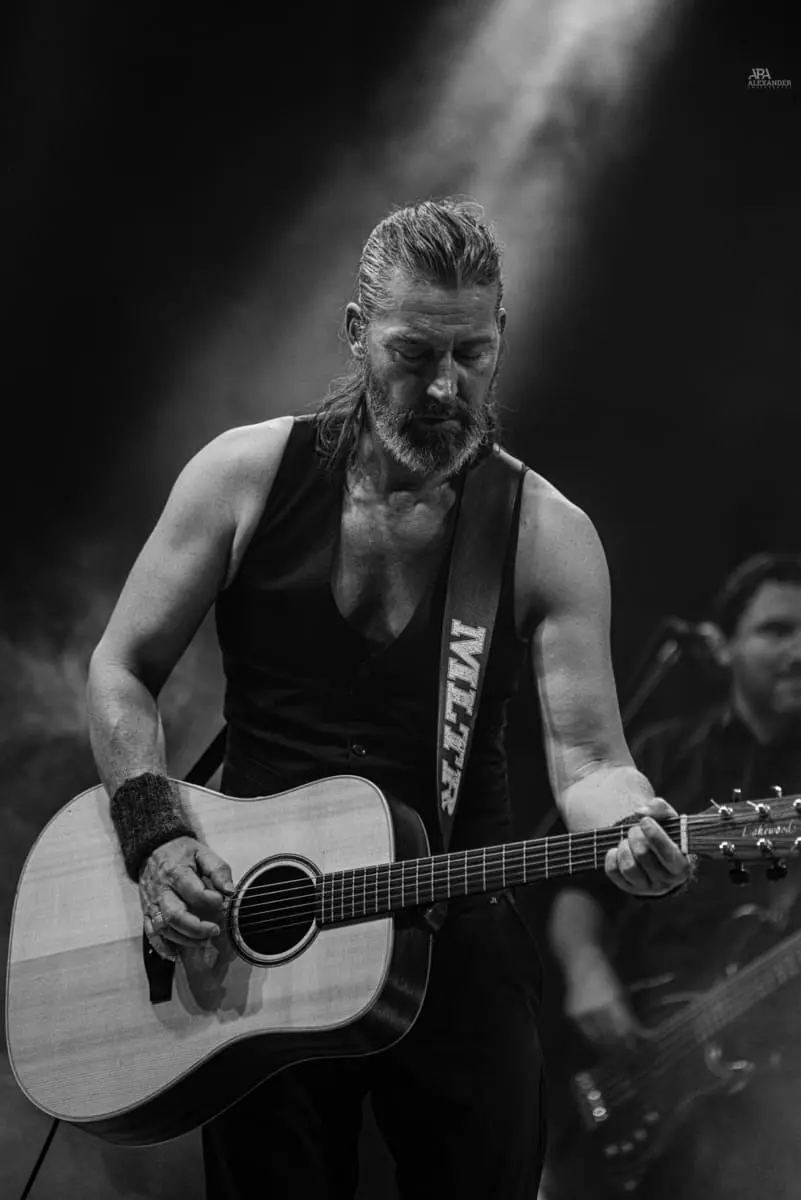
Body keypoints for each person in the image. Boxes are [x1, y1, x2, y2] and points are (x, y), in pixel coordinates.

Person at [86, 197, 691, 1200]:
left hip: (455, 935)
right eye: (414, 354)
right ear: (357, 331)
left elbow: (592, 762)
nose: (446, 387)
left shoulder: (545, 533)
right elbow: (120, 669)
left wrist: (633, 825)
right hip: (260, 931)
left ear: (501, 338)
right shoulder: (242, 476)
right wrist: (155, 839)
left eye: (472, 354)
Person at [540, 552, 801, 1200]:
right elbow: (578, 889)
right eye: (776, 630)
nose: (799, 651)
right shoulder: (662, 753)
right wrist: (585, 972)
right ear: (721, 645)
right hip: (645, 1050)